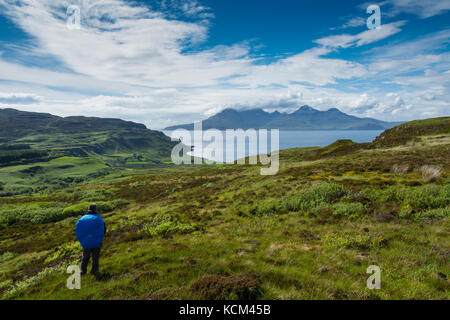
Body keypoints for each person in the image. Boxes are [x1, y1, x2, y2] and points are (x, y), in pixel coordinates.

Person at [75, 203, 106, 276]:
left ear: (88, 209)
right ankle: (94, 271)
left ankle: (83, 271)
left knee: (85, 257)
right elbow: (104, 229)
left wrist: (81, 239)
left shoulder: (81, 219)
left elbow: (77, 230)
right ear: (95, 209)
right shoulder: (98, 218)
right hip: (96, 242)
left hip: (86, 242)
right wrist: (100, 238)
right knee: (95, 258)